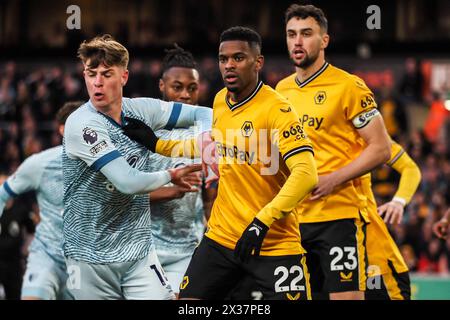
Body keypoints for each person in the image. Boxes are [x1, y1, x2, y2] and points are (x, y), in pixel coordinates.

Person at [62, 34, 213, 300]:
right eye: (91, 73)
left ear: (124, 77)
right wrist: (170, 176)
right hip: (90, 256)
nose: (97, 82)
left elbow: (204, 113)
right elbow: (127, 182)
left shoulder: (141, 110)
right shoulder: (81, 124)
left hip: (139, 252)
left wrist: (205, 136)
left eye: (107, 73)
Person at [177, 26, 318, 300]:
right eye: (223, 59)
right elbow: (213, 150)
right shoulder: (219, 101)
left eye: (238, 58)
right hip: (222, 237)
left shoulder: (278, 109)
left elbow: (306, 173)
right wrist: (154, 143)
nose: (229, 65)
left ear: (258, 62)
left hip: (273, 241)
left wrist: (261, 221)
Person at [276, 4, 391, 300]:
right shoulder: (281, 91)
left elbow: (381, 148)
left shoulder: (349, 86)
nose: (297, 42)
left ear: (324, 40)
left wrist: (333, 179)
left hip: (337, 218)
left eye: (306, 34)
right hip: (292, 221)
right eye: (291, 34)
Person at [147, 44, 216, 297]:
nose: (185, 94)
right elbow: (127, 193)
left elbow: (210, 193)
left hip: (190, 246)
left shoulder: (208, 133)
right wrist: (171, 189)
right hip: (146, 247)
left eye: (192, 88)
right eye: (178, 87)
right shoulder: (145, 133)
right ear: (162, 86)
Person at [0, 101, 82, 300]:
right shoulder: (40, 163)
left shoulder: (104, 166)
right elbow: (4, 193)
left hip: (82, 262)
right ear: (62, 129)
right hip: (46, 255)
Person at [363, 140, 421, 300]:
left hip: (373, 258)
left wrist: (398, 201)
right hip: (313, 249)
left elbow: (410, 168)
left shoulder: (361, 131)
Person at [0, 174, 35, 300]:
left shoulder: (21, 208)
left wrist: (27, 251)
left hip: (14, 263)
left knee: (15, 295)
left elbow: (32, 231)